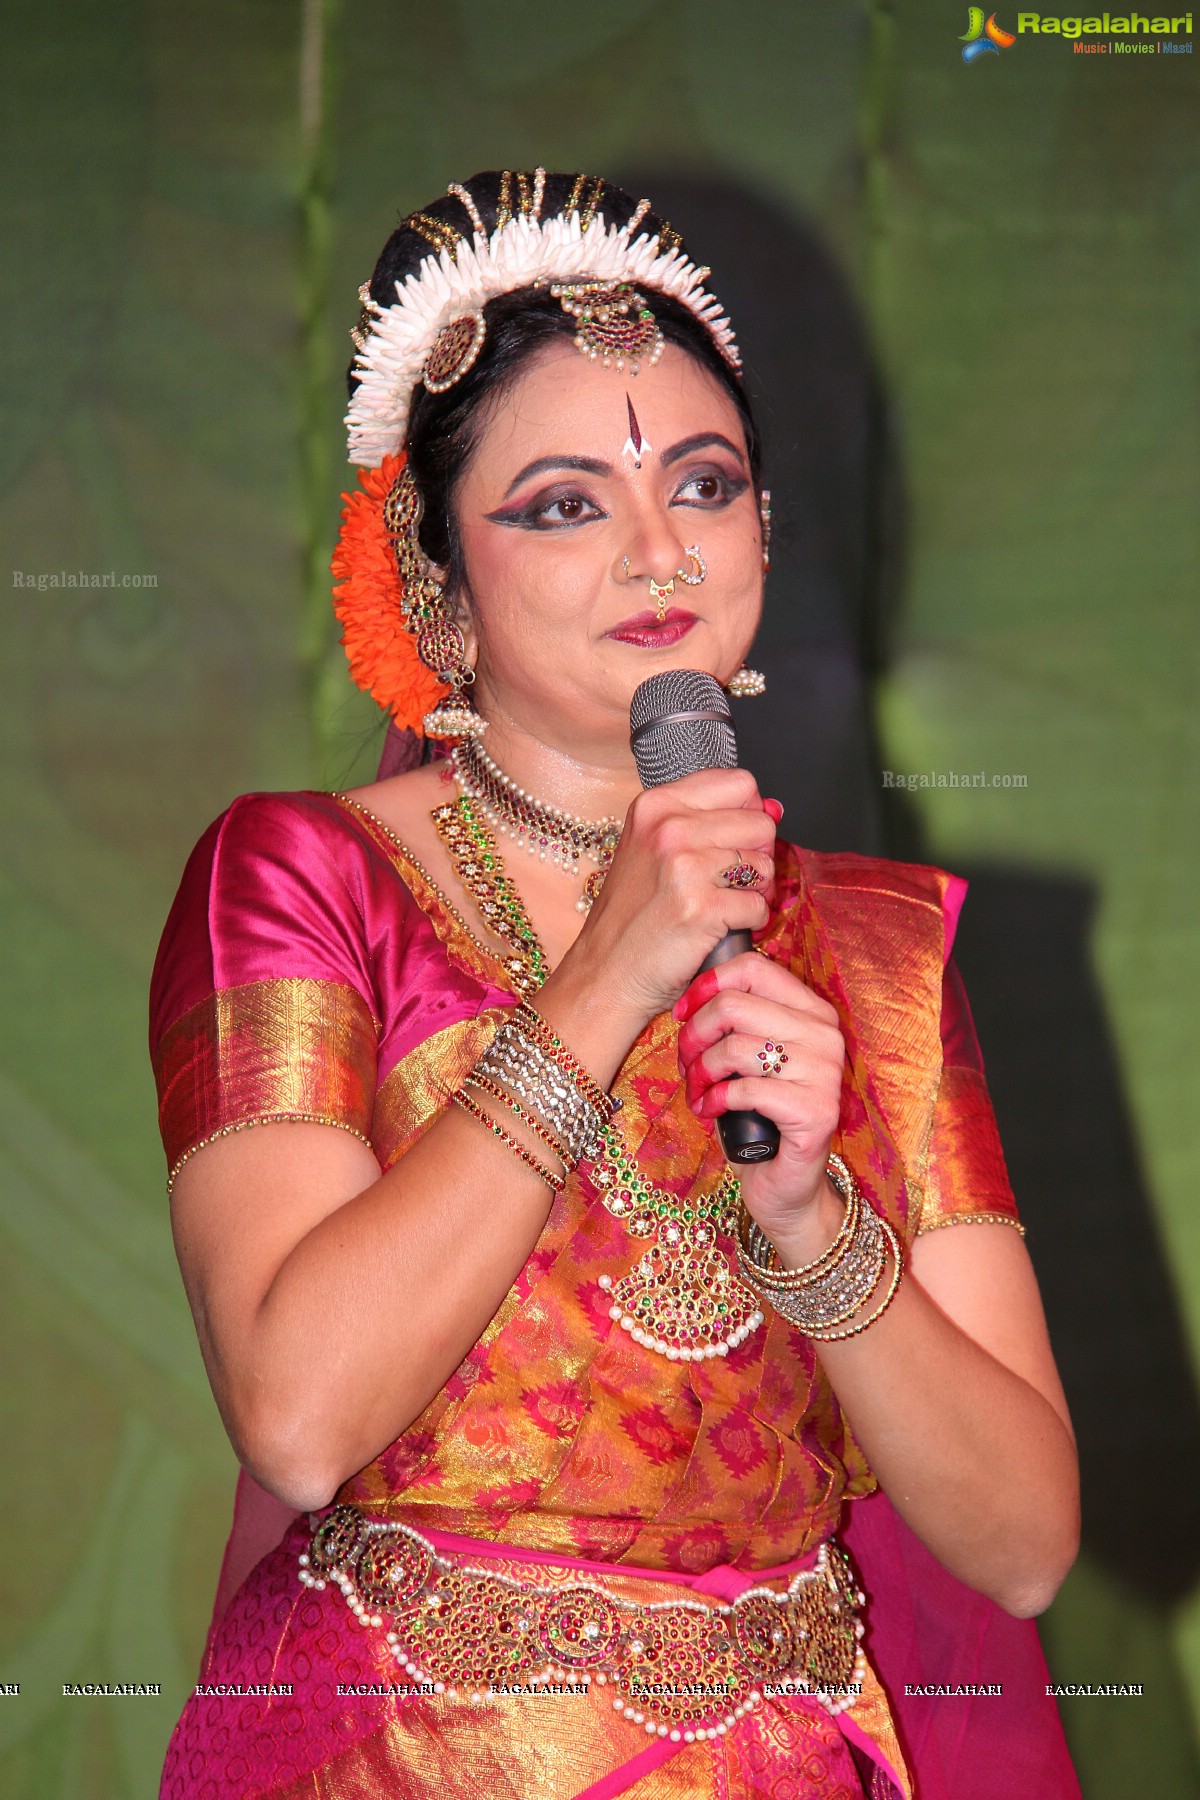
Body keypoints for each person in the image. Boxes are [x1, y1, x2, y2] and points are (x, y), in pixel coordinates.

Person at [150, 169, 1081, 1799]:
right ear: (436, 572)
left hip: (787, 1759)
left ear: (766, 531)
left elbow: (1021, 1548)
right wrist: (605, 976)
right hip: (401, 1753)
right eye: (564, 502)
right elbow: (296, 1418)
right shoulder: (300, 878)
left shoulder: (875, 950)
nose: (660, 549)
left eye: (706, 484)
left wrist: (813, 1226)